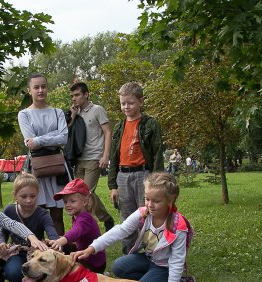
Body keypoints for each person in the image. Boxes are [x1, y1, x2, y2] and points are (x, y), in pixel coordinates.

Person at [74, 172, 188, 282]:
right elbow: (120, 230)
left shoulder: (178, 227)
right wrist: (92, 248)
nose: (150, 205)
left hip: (165, 267)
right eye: (147, 199)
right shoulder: (143, 213)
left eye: (156, 201)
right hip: (148, 259)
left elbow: (177, 262)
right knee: (118, 267)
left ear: (170, 200)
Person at [108, 82, 164, 254]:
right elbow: (113, 156)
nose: (126, 106)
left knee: (149, 214)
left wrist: (157, 182)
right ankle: (129, 254)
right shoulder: (119, 127)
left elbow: (157, 152)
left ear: (141, 101)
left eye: (130, 103)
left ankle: (152, 253)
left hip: (144, 175)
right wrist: (113, 186)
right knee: (127, 219)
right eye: (123, 103)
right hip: (123, 176)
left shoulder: (150, 124)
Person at [18, 73, 69, 235]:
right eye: (36, 87)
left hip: (57, 168)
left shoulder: (57, 112)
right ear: (29, 90)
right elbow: (29, 142)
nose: (40, 90)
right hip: (38, 168)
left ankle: (58, 253)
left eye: (43, 86)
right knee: (37, 215)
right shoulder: (24, 114)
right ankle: (37, 253)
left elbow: (63, 138)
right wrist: (52, 136)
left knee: (57, 216)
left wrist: (38, 140)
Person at [0, 173, 59, 282]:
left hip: (35, 255)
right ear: (15, 195)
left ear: (38, 194)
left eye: (33, 196)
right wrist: (2, 242)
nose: (28, 200)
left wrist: (55, 242)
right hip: (16, 252)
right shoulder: (9, 210)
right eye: (23, 196)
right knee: (13, 271)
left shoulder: (43, 214)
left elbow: (52, 232)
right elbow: (3, 232)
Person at [67, 82, 115, 232]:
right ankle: (106, 218)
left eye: (77, 95)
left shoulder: (97, 110)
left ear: (86, 94)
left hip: (94, 158)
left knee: (84, 194)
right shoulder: (75, 112)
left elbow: (108, 132)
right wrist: (73, 116)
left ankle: (81, 228)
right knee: (83, 193)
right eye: (72, 96)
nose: (74, 98)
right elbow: (66, 133)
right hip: (78, 159)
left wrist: (105, 156)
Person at [47, 178, 106, 273]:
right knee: (62, 247)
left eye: (72, 201)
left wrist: (60, 241)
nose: (67, 205)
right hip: (84, 254)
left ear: (85, 202)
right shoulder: (77, 215)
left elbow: (75, 232)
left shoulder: (85, 218)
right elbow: (75, 236)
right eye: (65, 202)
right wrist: (57, 241)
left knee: (67, 272)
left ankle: (96, 274)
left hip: (93, 263)